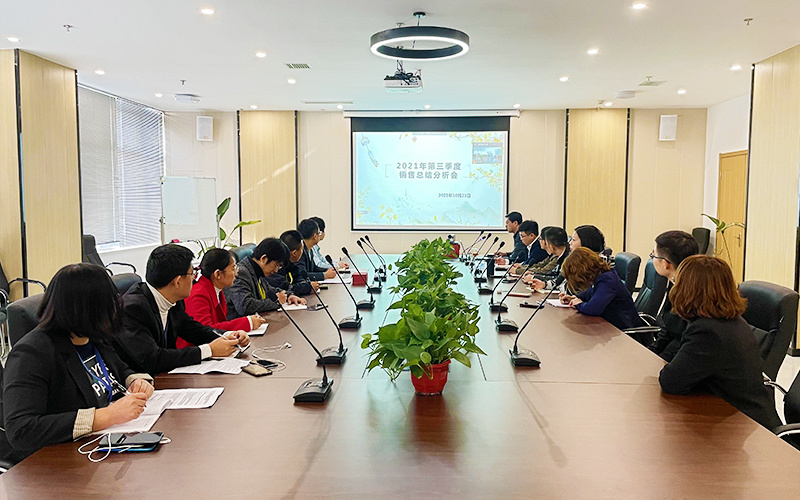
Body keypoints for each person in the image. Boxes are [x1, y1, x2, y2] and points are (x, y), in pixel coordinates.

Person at [3, 264, 155, 462]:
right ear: (86, 309)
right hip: (61, 461)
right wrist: (105, 416)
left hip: (105, 444)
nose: (114, 310)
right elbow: (21, 430)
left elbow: (119, 369)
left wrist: (133, 380)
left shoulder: (93, 337)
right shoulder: (32, 354)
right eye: (108, 304)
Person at [658, 255, 781, 430]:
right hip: (737, 416)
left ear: (688, 289)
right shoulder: (732, 321)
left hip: (744, 424)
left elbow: (671, 381)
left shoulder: (707, 331)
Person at [113, 244, 249, 377]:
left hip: (165, 377)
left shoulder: (172, 298)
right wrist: (209, 350)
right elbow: (153, 359)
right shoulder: (133, 309)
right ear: (178, 281)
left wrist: (227, 336)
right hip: (140, 383)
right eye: (192, 274)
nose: (194, 279)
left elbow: (192, 329)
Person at [181, 248, 266, 348]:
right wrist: (247, 323)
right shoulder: (198, 294)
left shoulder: (217, 289)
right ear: (218, 274)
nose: (236, 273)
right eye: (233, 269)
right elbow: (205, 331)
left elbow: (219, 324)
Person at [558, 247, 644, 331]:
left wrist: (578, 304)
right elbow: (588, 295)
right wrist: (573, 298)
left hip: (624, 331)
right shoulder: (599, 278)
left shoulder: (608, 280)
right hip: (611, 326)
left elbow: (593, 309)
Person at [647, 231, 700, 361]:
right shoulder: (675, 283)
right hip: (673, 353)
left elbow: (683, 339)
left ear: (665, 264)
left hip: (684, 358)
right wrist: (650, 353)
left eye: (653, 255)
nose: (652, 259)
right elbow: (669, 328)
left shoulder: (692, 294)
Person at [226, 237, 307, 318]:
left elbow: (270, 289)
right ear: (264, 258)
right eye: (276, 265)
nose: (276, 270)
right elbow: (245, 306)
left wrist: (289, 295)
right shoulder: (240, 273)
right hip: (239, 324)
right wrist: (277, 302)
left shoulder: (256, 270)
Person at [268, 229, 319, 296]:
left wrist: (305, 284)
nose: (302, 252)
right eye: (301, 249)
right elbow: (285, 287)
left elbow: (298, 278)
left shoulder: (290, 264)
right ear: (294, 253)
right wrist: (307, 287)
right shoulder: (276, 266)